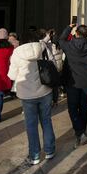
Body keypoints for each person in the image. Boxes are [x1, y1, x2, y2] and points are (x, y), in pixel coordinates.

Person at [7, 29, 56, 165]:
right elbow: (54, 65)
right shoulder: (43, 47)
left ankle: (34, 155)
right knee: (46, 121)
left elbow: (11, 75)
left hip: (27, 94)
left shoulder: (17, 52)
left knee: (31, 125)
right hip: (45, 90)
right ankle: (50, 150)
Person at [59, 23, 87, 146]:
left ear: (76, 33)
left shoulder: (70, 45)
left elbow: (61, 39)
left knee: (72, 107)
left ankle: (79, 130)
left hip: (73, 81)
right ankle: (82, 130)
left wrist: (69, 27)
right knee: (83, 106)